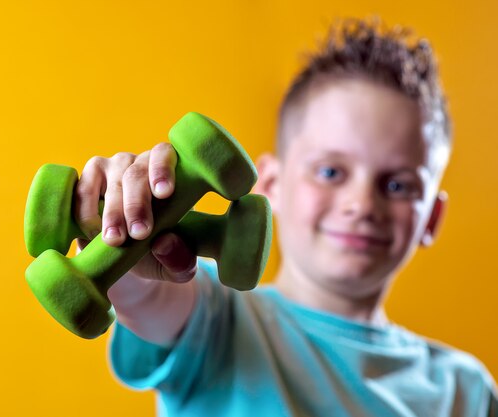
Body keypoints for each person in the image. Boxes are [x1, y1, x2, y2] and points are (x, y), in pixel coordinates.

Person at [74, 18, 498, 416]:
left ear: (432, 217)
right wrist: (123, 225)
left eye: (398, 185)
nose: (362, 204)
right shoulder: (217, 318)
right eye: (330, 172)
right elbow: (149, 295)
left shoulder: (466, 389)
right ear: (271, 185)